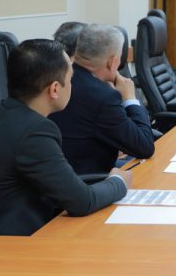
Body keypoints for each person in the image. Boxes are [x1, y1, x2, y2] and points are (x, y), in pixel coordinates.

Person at [0, 40, 129, 244]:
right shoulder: (34, 131)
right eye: (71, 79)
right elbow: (82, 202)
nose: (72, 86)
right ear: (54, 89)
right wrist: (118, 181)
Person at [49, 24, 155, 175]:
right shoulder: (103, 96)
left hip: (60, 172)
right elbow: (145, 146)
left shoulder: (61, 78)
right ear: (112, 62)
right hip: (89, 179)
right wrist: (130, 99)